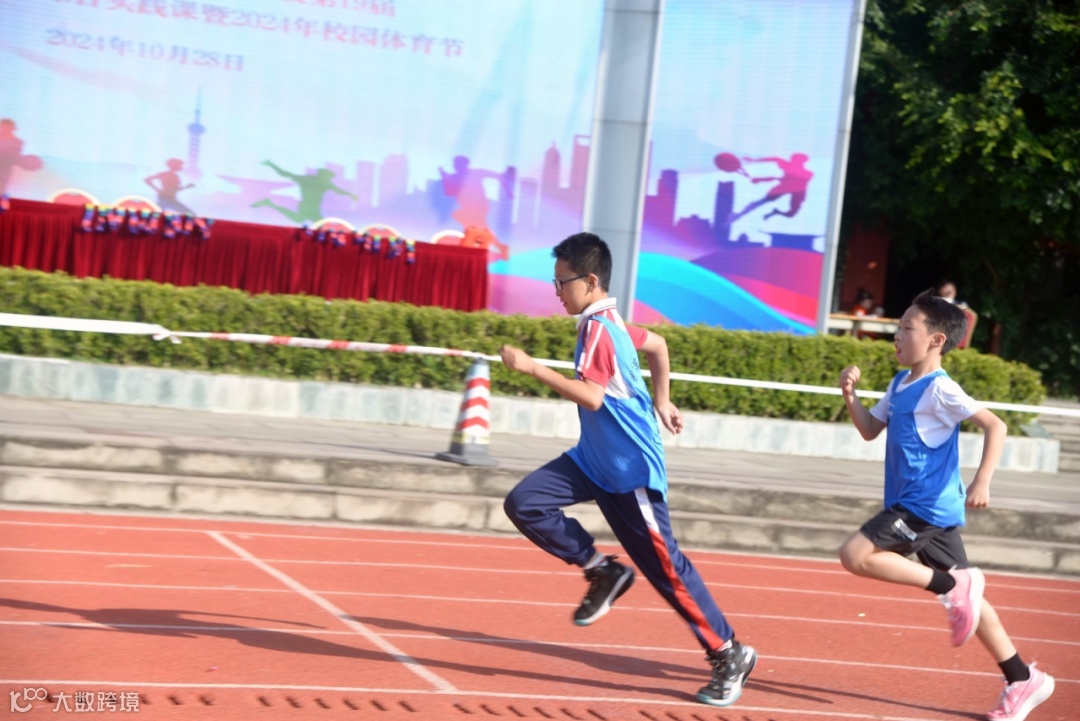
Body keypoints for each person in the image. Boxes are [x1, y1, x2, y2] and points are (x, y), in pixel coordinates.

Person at [499, 232, 756, 708]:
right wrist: (662, 399)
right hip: (592, 460)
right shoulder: (607, 321)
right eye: (554, 282)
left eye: (562, 282)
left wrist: (532, 368)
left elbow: (593, 397)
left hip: (629, 470)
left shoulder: (599, 328)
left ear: (590, 281)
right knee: (526, 502)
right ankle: (603, 571)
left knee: (667, 570)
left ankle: (729, 652)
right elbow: (658, 344)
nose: (557, 292)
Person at [838, 290, 1055, 721]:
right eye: (898, 327)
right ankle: (1022, 678)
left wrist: (983, 480)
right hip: (919, 507)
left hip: (923, 507)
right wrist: (850, 395)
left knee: (855, 555)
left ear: (937, 340)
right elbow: (869, 430)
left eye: (907, 328)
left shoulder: (940, 388)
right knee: (972, 602)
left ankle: (951, 586)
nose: (897, 336)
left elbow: (995, 425)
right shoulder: (900, 384)